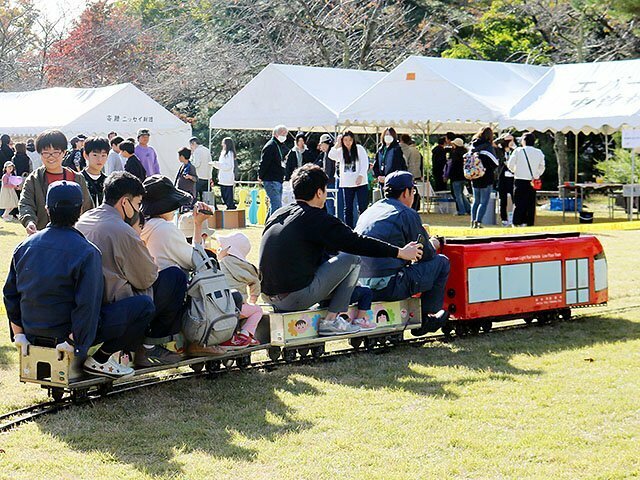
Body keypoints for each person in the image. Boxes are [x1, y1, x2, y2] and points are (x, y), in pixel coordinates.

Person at [5, 180, 155, 378]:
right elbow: (87, 305)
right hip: (66, 336)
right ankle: (101, 360)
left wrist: (19, 335)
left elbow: (10, 294)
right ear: (81, 209)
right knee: (144, 306)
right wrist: (73, 343)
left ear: (47, 209)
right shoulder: (87, 251)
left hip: (31, 333)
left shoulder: (24, 247)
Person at [259, 163, 422, 336]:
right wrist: (400, 252)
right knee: (352, 258)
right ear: (319, 192)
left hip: (268, 295)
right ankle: (331, 321)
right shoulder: (318, 218)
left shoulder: (279, 214)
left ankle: (335, 308)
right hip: (293, 297)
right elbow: (357, 242)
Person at [75, 172, 185, 366]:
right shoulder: (122, 230)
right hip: (113, 306)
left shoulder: (85, 218)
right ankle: (151, 345)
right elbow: (147, 278)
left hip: (85, 303)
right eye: (138, 203)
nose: (139, 209)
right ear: (125, 202)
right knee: (174, 277)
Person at [139, 175, 225, 357]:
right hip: (162, 302)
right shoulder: (165, 229)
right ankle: (196, 341)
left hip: (146, 297)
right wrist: (198, 224)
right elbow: (195, 261)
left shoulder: (145, 226)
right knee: (181, 280)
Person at [355, 170, 450, 335]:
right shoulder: (406, 213)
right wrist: (434, 243)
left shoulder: (369, 211)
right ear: (406, 192)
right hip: (388, 285)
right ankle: (426, 318)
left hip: (361, 285)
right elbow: (427, 254)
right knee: (441, 262)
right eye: (413, 191)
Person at [19, 129, 93, 235]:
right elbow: (26, 203)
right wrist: (29, 221)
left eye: (56, 152)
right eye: (46, 153)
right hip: (42, 236)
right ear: (40, 153)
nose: (51, 157)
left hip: (73, 237)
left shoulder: (76, 178)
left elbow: (87, 207)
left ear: (64, 152)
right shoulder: (34, 179)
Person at [217, 233, 264, 348]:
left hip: (217, 308)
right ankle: (245, 334)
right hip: (237, 308)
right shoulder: (245, 267)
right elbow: (255, 281)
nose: (218, 249)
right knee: (257, 310)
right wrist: (253, 299)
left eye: (221, 247)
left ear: (230, 250)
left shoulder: (218, 265)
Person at [328, 131, 370, 228]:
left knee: (363, 207)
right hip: (347, 184)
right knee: (348, 209)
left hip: (360, 183)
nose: (348, 142)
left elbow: (365, 163)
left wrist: (361, 175)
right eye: (345, 140)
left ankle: (364, 227)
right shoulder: (341, 151)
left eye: (350, 140)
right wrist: (337, 143)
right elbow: (331, 155)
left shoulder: (359, 149)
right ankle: (349, 229)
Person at [507, 132, 545, 227]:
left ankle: (517, 222)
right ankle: (529, 222)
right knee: (530, 203)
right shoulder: (539, 152)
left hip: (520, 179)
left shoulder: (518, 151)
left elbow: (510, 164)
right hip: (532, 180)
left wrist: (515, 171)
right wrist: (536, 175)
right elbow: (542, 166)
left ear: (523, 141)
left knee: (519, 202)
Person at [469, 127, 499, 229]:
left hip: (474, 176)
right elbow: (495, 163)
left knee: (476, 201)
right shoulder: (488, 147)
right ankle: (478, 222)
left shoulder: (472, 146)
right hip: (486, 177)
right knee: (483, 201)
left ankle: (472, 221)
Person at [258, 125, 288, 215]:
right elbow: (264, 163)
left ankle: (268, 225)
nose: (285, 136)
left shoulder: (278, 146)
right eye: (283, 134)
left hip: (277, 179)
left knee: (275, 205)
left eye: (286, 134)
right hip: (271, 180)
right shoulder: (271, 146)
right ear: (276, 134)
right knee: (277, 205)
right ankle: (273, 225)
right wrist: (260, 176)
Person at [496, 133, 516, 226]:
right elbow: (494, 143)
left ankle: (513, 218)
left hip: (513, 177)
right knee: (502, 199)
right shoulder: (500, 150)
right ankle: (504, 218)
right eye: (509, 141)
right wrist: (503, 137)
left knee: (514, 198)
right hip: (502, 177)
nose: (511, 142)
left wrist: (513, 145)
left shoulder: (515, 151)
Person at [81, 137, 109, 206]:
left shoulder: (109, 182)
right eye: (95, 155)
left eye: (103, 155)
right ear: (86, 155)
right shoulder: (78, 179)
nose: (100, 159)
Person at [316, 133, 338, 216]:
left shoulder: (330, 153)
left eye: (322, 144)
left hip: (330, 182)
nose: (321, 147)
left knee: (330, 204)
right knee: (330, 204)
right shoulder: (326, 153)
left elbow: (329, 171)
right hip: (329, 182)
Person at [212, 137, 236, 210]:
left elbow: (228, 166)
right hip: (223, 178)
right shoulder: (223, 153)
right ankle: (229, 206)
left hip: (227, 178)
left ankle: (231, 207)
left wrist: (218, 165)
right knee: (223, 195)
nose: (222, 144)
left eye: (223, 143)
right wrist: (217, 164)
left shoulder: (229, 153)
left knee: (228, 196)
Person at [448, 138, 471, 215]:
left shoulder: (455, 154)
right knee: (461, 194)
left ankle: (462, 210)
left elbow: (452, 166)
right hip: (464, 176)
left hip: (456, 177)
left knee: (458, 195)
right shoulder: (465, 153)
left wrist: (448, 175)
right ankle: (468, 209)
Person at [189, 137, 213, 201]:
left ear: (193, 143)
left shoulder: (197, 151)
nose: (191, 147)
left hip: (198, 177)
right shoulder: (207, 150)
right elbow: (210, 164)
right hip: (206, 177)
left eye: (191, 145)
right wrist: (210, 177)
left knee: (194, 196)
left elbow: (196, 164)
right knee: (206, 198)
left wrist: (190, 161)